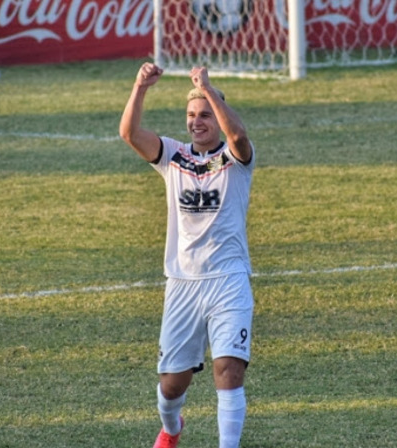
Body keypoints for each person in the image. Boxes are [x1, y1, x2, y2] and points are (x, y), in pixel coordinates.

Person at [119, 63, 255, 448]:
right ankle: (172, 427)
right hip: (182, 284)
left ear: (219, 115)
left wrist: (208, 88)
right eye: (191, 116)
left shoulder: (236, 157)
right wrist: (140, 86)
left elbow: (239, 134)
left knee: (228, 369)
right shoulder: (172, 155)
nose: (197, 122)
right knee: (171, 386)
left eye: (205, 115)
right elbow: (128, 133)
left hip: (228, 281)